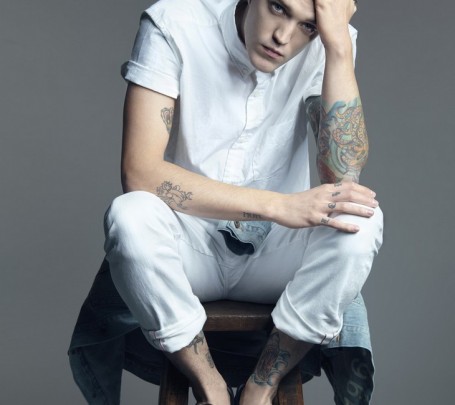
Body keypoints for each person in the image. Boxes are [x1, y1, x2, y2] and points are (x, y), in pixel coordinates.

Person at [68, 0, 383, 404]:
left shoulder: (330, 40)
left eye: (307, 26)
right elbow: (140, 173)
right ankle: (210, 385)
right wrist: (277, 206)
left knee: (363, 221)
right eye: (278, 7)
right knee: (128, 216)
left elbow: (343, 177)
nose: (282, 36)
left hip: (277, 257)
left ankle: (261, 386)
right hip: (188, 248)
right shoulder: (174, 22)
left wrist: (337, 46)